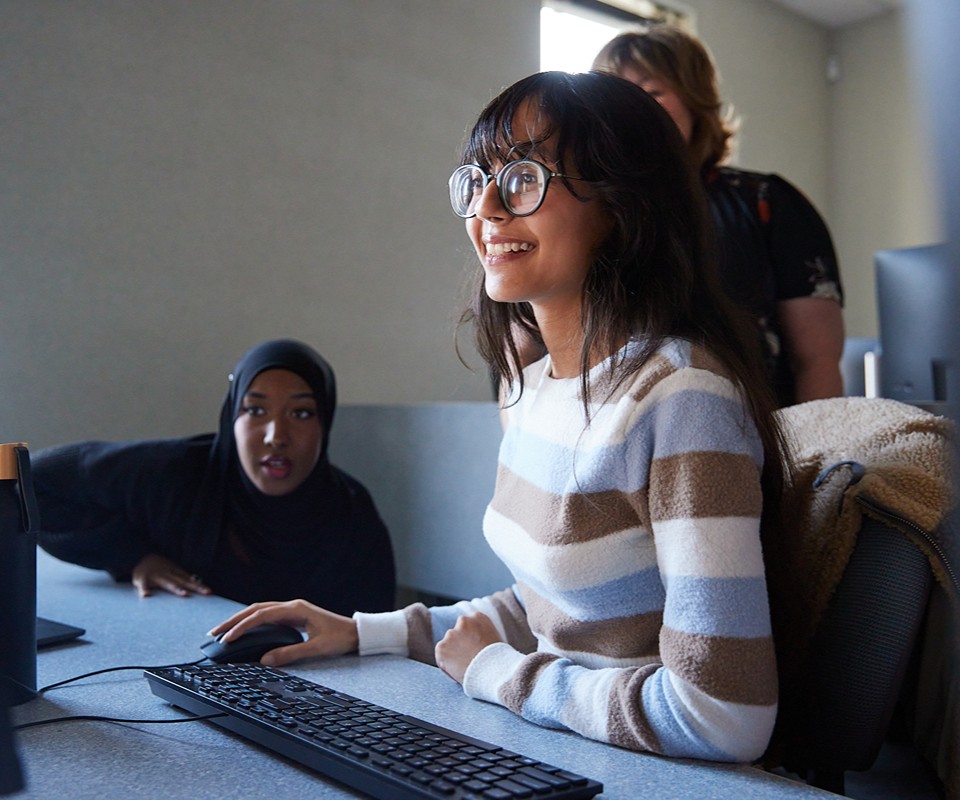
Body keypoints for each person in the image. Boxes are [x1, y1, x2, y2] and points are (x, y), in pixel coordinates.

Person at [209, 71, 791, 763]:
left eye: (522, 177)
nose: (484, 206)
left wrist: (498, 675)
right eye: (476, 178)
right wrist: (364, 633)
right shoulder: (531, 390)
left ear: (622, 206)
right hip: (564, 748)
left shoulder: (683, 399)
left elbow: (724, 715)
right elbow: (547, 608)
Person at [34, 339, 396, 615]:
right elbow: (30, 481)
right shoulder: (177, 474)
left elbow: (375, 642)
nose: (276, 436)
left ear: (325, 424)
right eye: (255, 410)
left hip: (305, 700)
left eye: (301, 413)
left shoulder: (350, 513)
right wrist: (131, 557)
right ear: (231, 419)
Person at [592, 25, 845, 407]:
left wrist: (809, 458)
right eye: (619, 95)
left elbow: (818, 360)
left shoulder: (767, 201)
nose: (635, 109)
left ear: (696, 101)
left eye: (653, 91)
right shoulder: (587, 212)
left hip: (759, 434)